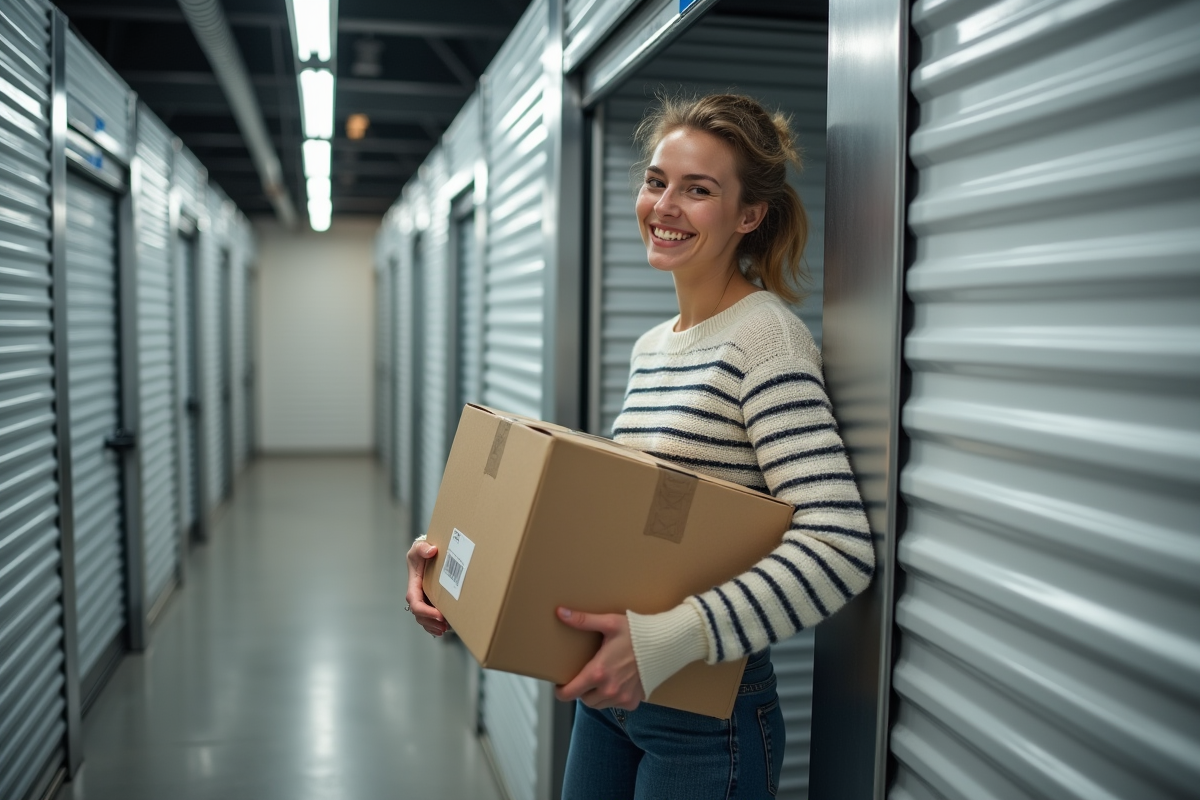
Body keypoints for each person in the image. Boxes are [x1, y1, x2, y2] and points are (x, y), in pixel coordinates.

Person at [406, 93, 873, 799]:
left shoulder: (765, 339)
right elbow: (633, 535)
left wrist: (664, 642)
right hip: (614, 698)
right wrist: (455, 564)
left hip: (705, 717)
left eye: (699, 190)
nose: (665, 205)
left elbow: (840, 546)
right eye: (657, 181)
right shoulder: (654, 347)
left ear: (749, 216)